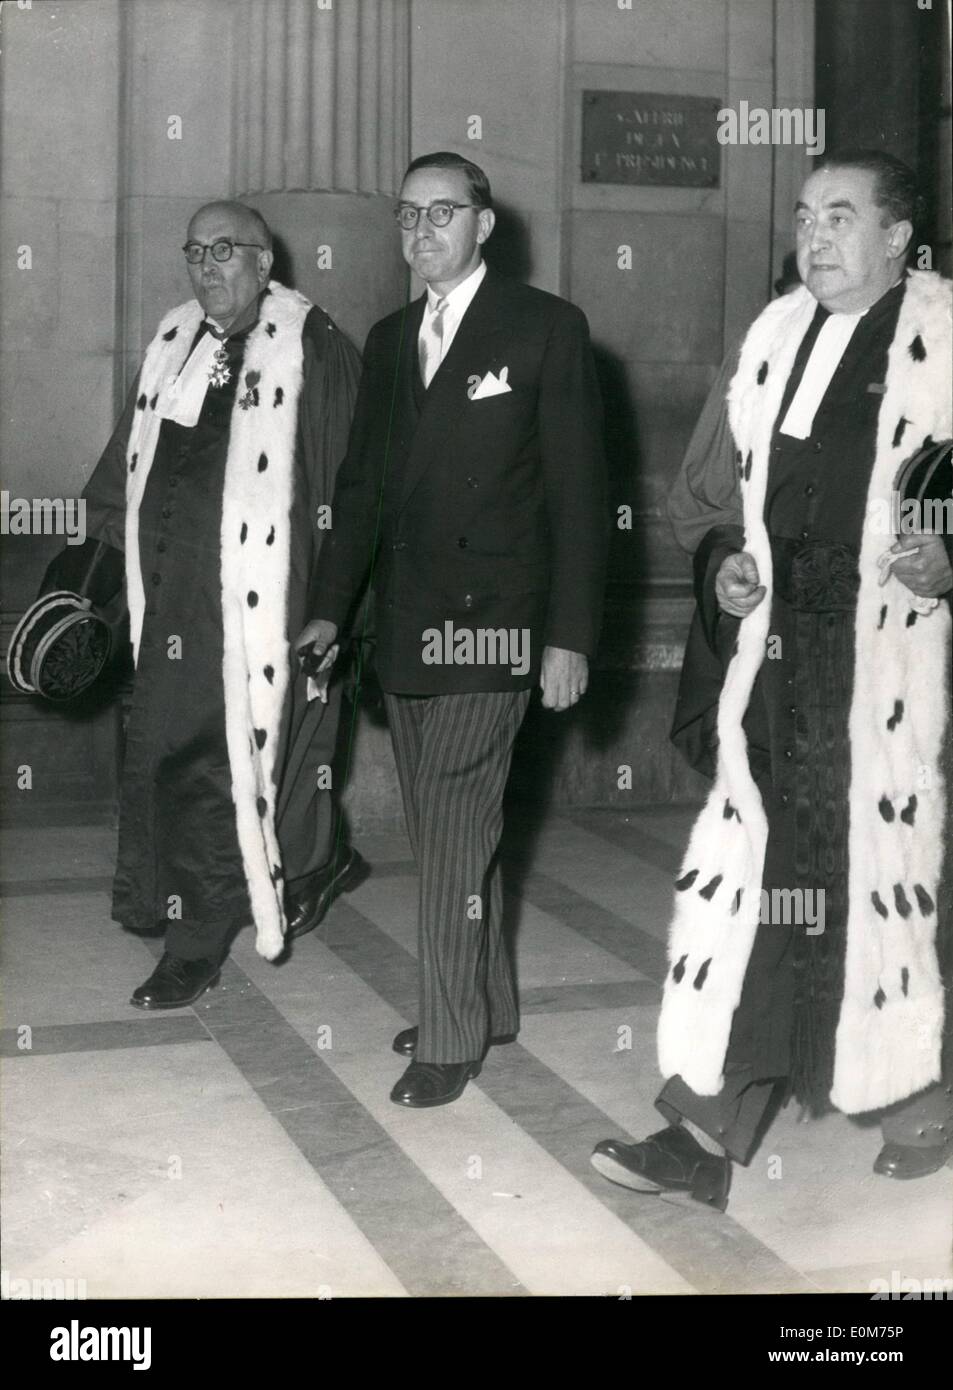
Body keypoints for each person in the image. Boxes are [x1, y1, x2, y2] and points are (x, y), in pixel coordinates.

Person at [592, 151, 952, 1209]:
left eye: (842, 216)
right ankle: (721, 1120)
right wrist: (725, 569)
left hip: (899, 667)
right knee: (773, 879)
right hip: (781, 660)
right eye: (804, 216)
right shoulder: (767, 343)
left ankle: (903, 1094)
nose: (815, 235)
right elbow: (708, 507)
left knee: (891, 879)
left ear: (898, 237)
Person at [299, 152, 607, 1107]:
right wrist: (325, 609)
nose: (422, 230)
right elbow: (358, 492)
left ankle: (447, 1035)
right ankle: (487, 1003)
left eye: (443, 213)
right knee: (453, 826)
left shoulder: (546, 328)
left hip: (495, 629)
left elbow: (580, 497)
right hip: (402, 624)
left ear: (485, 225)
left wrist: (569, 636)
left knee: (450, 834)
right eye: (407, 215)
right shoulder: (390, 339)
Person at [33, 202, 365, 1009]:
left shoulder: (313, 348)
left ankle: (198, 941)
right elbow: (126, 467)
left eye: (225, 250)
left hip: (261, 606)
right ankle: (289, 868)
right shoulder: (174, 342)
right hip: (169, 598)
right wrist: (82, 571)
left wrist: (338, 612)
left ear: (264, 260)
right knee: (164, 747)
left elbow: (354, 496)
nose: (207, 266)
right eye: (195, 252)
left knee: (227, 764)